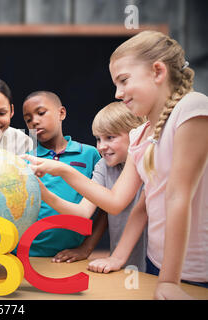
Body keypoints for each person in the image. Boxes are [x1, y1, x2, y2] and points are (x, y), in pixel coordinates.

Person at [22, 31, 208, 299]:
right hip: (157, 265)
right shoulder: (140, 135)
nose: (118, 94)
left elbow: (178, 196)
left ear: (157, 71)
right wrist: (118, 257)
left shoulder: (192, 108)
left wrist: (169, 280)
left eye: (123, 81)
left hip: (190, 273)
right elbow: (120, 202)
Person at [37, 102, 148, 271]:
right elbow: (82, 213)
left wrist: (62, 170)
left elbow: (122, 205)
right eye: (98, 138)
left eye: (110, 137)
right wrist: (43, 192)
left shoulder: (150, 163)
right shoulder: (104, 166)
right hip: (125, 265)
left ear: (135, 133)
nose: (101, 146)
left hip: (157, 261)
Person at [22, 90, 101, 257]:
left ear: (61, 113)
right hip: (26, 253)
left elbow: (104, 209)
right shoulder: (25, 161)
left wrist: (85, 249)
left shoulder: (90, 154)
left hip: (70, 255)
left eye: (41, 113)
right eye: (28, 120)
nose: (34, 121)